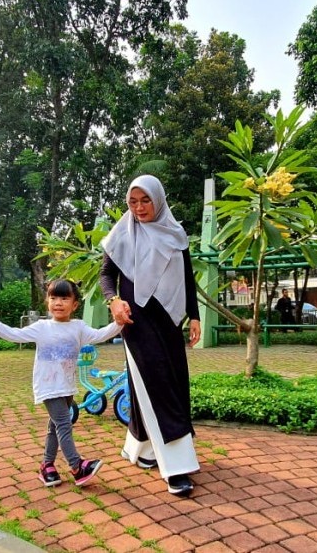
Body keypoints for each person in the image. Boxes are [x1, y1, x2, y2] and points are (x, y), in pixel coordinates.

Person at [99, 174, 201, 497]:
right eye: (133, 201)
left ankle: (142, 450)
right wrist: (113, 301)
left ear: (158, 200)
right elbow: (106, 275)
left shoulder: (175, 233)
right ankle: (177, 467)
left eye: (146, 201)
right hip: (136, 321)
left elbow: (187, 277)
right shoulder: (122, 233)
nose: (139, 208)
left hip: (169, 322)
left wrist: (195, 315)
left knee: (169, 383)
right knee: (157, 385)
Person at [0, 279, 123, 488]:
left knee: (55, 427)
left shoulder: (78, 327)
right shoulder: (42, 327)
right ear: (47, 301)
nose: (58, 303)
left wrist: (119, 322)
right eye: (53, 298)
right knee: (64, 424)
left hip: (67, 385)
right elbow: (13, 334)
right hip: (48, 386)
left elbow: (100, 335)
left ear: (75, 305)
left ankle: (47, 466)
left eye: (64, 298)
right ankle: (77, 466)